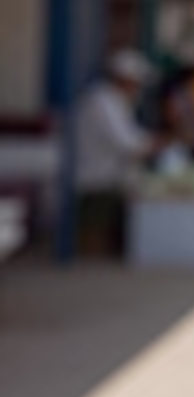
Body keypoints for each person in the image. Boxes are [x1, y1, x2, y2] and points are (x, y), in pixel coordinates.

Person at [73, 48, 157, 256]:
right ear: (123, 79)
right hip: (95, 179)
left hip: (109, 175)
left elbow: (136, 138)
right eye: (135, 82)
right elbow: (129, 145)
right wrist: (156, 144)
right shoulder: (101, 102)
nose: (138, 88)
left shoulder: (115, 101)